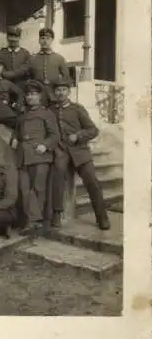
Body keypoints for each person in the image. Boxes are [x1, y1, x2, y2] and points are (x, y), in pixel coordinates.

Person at [49, 76, 111, 231]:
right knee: (57, 176)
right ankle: (57, 214)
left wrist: (78, 136)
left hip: (80, 152)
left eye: (64, 90)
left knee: (92, 182)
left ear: (69, 91)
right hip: (62, 151)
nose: (61, 93)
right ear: (54, 92)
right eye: (58, 90)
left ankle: (102, 217)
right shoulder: (51, 110)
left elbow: (93, 130)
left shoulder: (77, 109)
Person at [11, 80, 59, 234]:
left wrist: (45, 145)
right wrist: (15, 139)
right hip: (23, 157)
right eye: (28, 94)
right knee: (24, 189)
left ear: (40, 96)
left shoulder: (47, 114)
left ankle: (34, 221)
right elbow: (18, 132)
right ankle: (31, 220)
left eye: (34, 94)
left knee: (38, 189)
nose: (30, 97)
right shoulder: (23, 115)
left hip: (40, 156)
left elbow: (55, 135)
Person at [30, 28, 70, 106]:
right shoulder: (32, 59)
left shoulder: (59, 58)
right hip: (38, 96)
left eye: (48, 39)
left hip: (54, 95)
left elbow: (66, 78)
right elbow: (30, 78)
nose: (45, 41)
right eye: (42, 38)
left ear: (52, 40)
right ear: (39, 40)